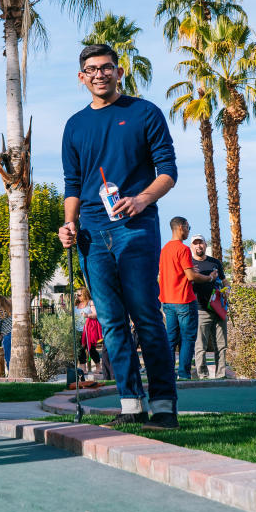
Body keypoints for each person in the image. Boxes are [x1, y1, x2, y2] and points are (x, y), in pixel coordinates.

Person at [59, 43, 180, 430]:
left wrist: (142, 199)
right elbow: (73, 183)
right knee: (110, 321)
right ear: (82, 77)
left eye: (106, 67)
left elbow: (168, 170)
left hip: (135, 228)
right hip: (92, 234)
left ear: (119, 71)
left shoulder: (144, 112)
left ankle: (163, 404)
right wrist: (69, 223)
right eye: (91, 69)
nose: (99, 74)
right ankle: (130, 403)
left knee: (145, 315)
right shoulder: (75, 125)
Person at [159, 218, 218, 380]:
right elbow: (191, 276)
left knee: (171, 339)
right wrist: (210, 278)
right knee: (188, 338)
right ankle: (184, 374)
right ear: (180, 227)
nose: (188, 230)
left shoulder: (164, 250)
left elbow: (170, 273)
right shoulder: (183, 249)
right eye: (187, 227)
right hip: (183, 299)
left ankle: (169, 375)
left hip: (168, 300)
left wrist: (191, 270)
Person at [188, 234, 227, 379]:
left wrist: (227, 289)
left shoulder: (215, 262)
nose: (199, 246)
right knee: (200, 346)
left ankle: (221, 375)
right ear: (191, 246)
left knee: (221, 345)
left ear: (205, 245)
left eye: (201, 243)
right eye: (195, 243)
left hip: (218, 308)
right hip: (200, 309)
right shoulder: (188, 263)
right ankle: (202, 375)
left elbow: (224, 280)